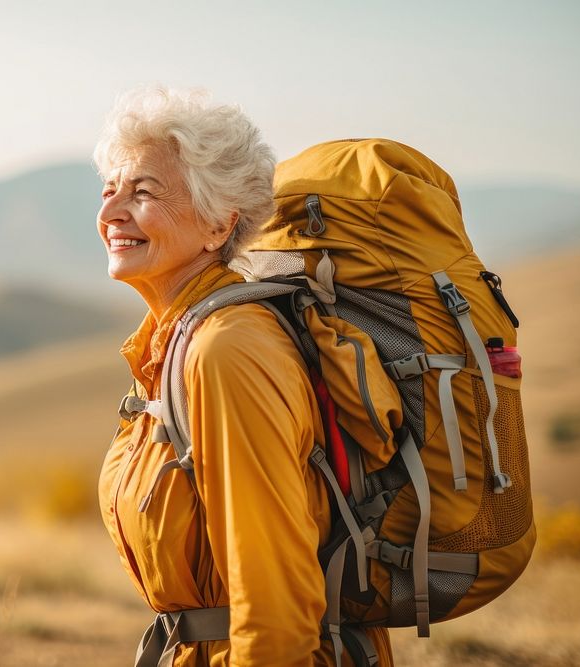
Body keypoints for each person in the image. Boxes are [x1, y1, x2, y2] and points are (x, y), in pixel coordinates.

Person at [94, 86, 394, 666]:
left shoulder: (228, 350)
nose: (110, 212)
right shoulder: (170, 344)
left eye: (143, 192)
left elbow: (274, 595)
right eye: (109, 189)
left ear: (218, 225)